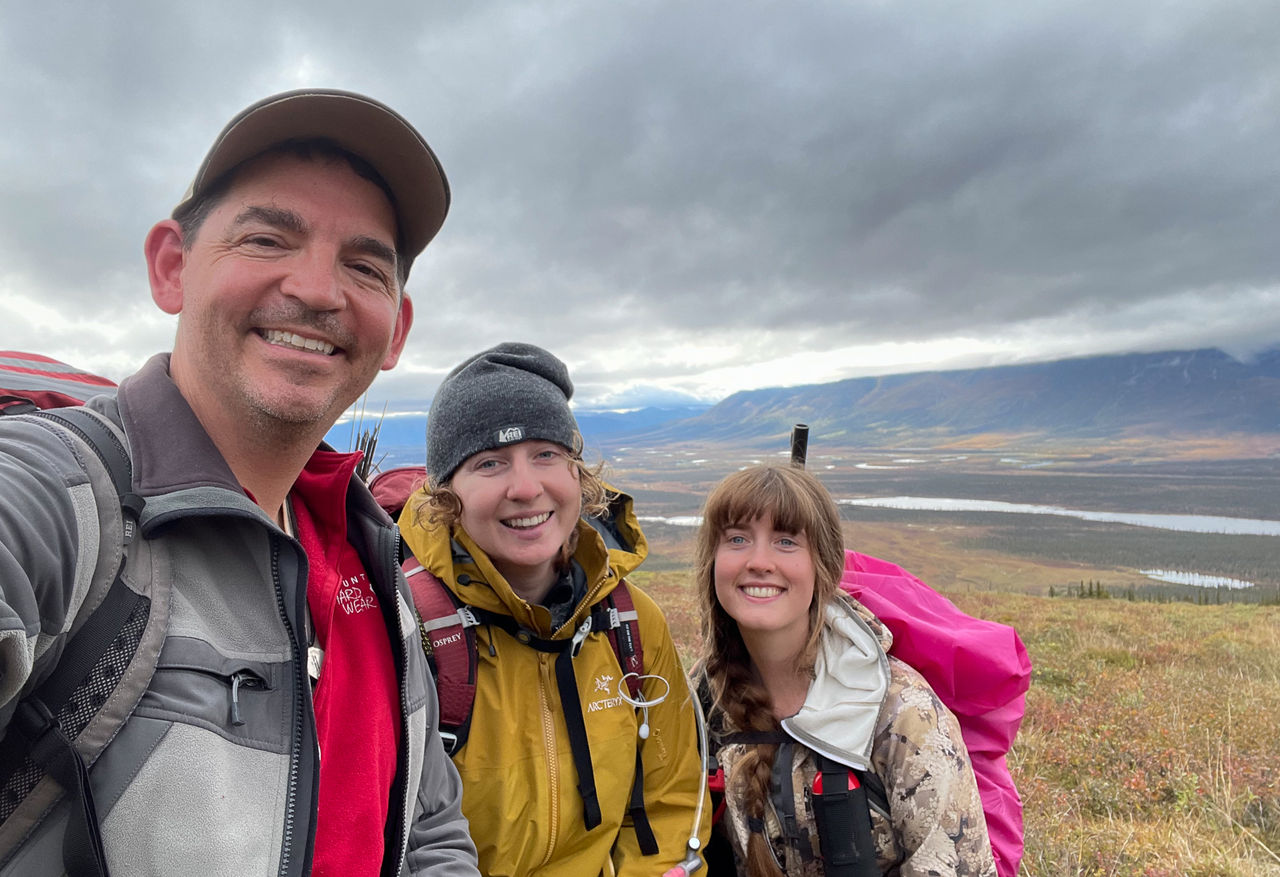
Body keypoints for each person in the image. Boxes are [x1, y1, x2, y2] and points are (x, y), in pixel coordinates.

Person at [0, 89, 479, 876]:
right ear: (171, 268)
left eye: (363, 265)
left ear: (396, 329)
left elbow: (428, 829)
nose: (321, 290)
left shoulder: (376, 570)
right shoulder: (67, 501)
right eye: (267, 238)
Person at [398, 342, 710, 876]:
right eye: (490, 463)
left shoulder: (630, 625)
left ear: (578, 474)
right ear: (448, 494)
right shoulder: (409, 628)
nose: (526, 487)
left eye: (546, 454)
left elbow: (670, 809)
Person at [694, 464, 995, 876]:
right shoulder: (701, 701)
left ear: (826, 567)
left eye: (786, 541)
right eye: (737, 539)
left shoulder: (901, 712)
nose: (759, 561)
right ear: (712, 562)